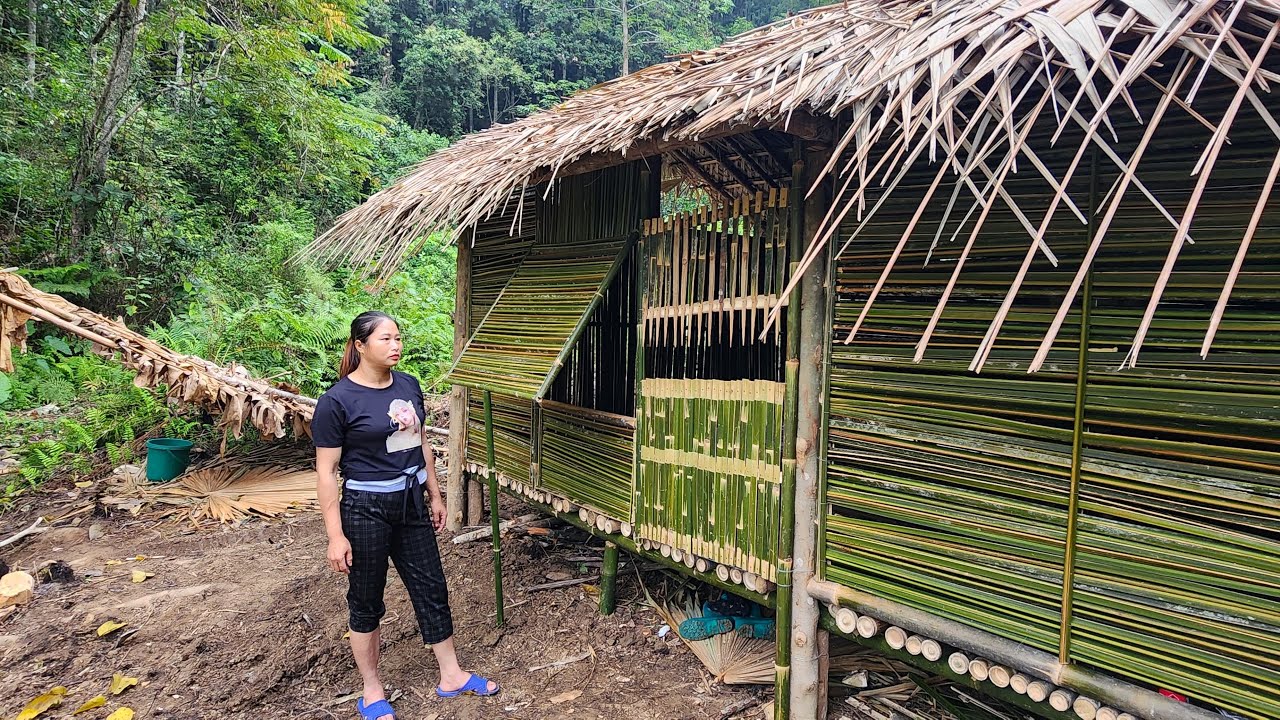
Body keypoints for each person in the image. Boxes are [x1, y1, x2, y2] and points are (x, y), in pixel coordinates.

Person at [313, 311, 499, 720]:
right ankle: (372, 690)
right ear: (360, 346)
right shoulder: (337, 401)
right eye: (385, 339)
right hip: (365, 508)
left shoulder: (409, 385)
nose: (395, 345)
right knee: (366, 599)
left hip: (411, 502)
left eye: (398, 338)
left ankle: (451, 674)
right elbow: (326, 472)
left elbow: (421, 444)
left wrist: (435, 494)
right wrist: (335, 535)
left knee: (431, 587)